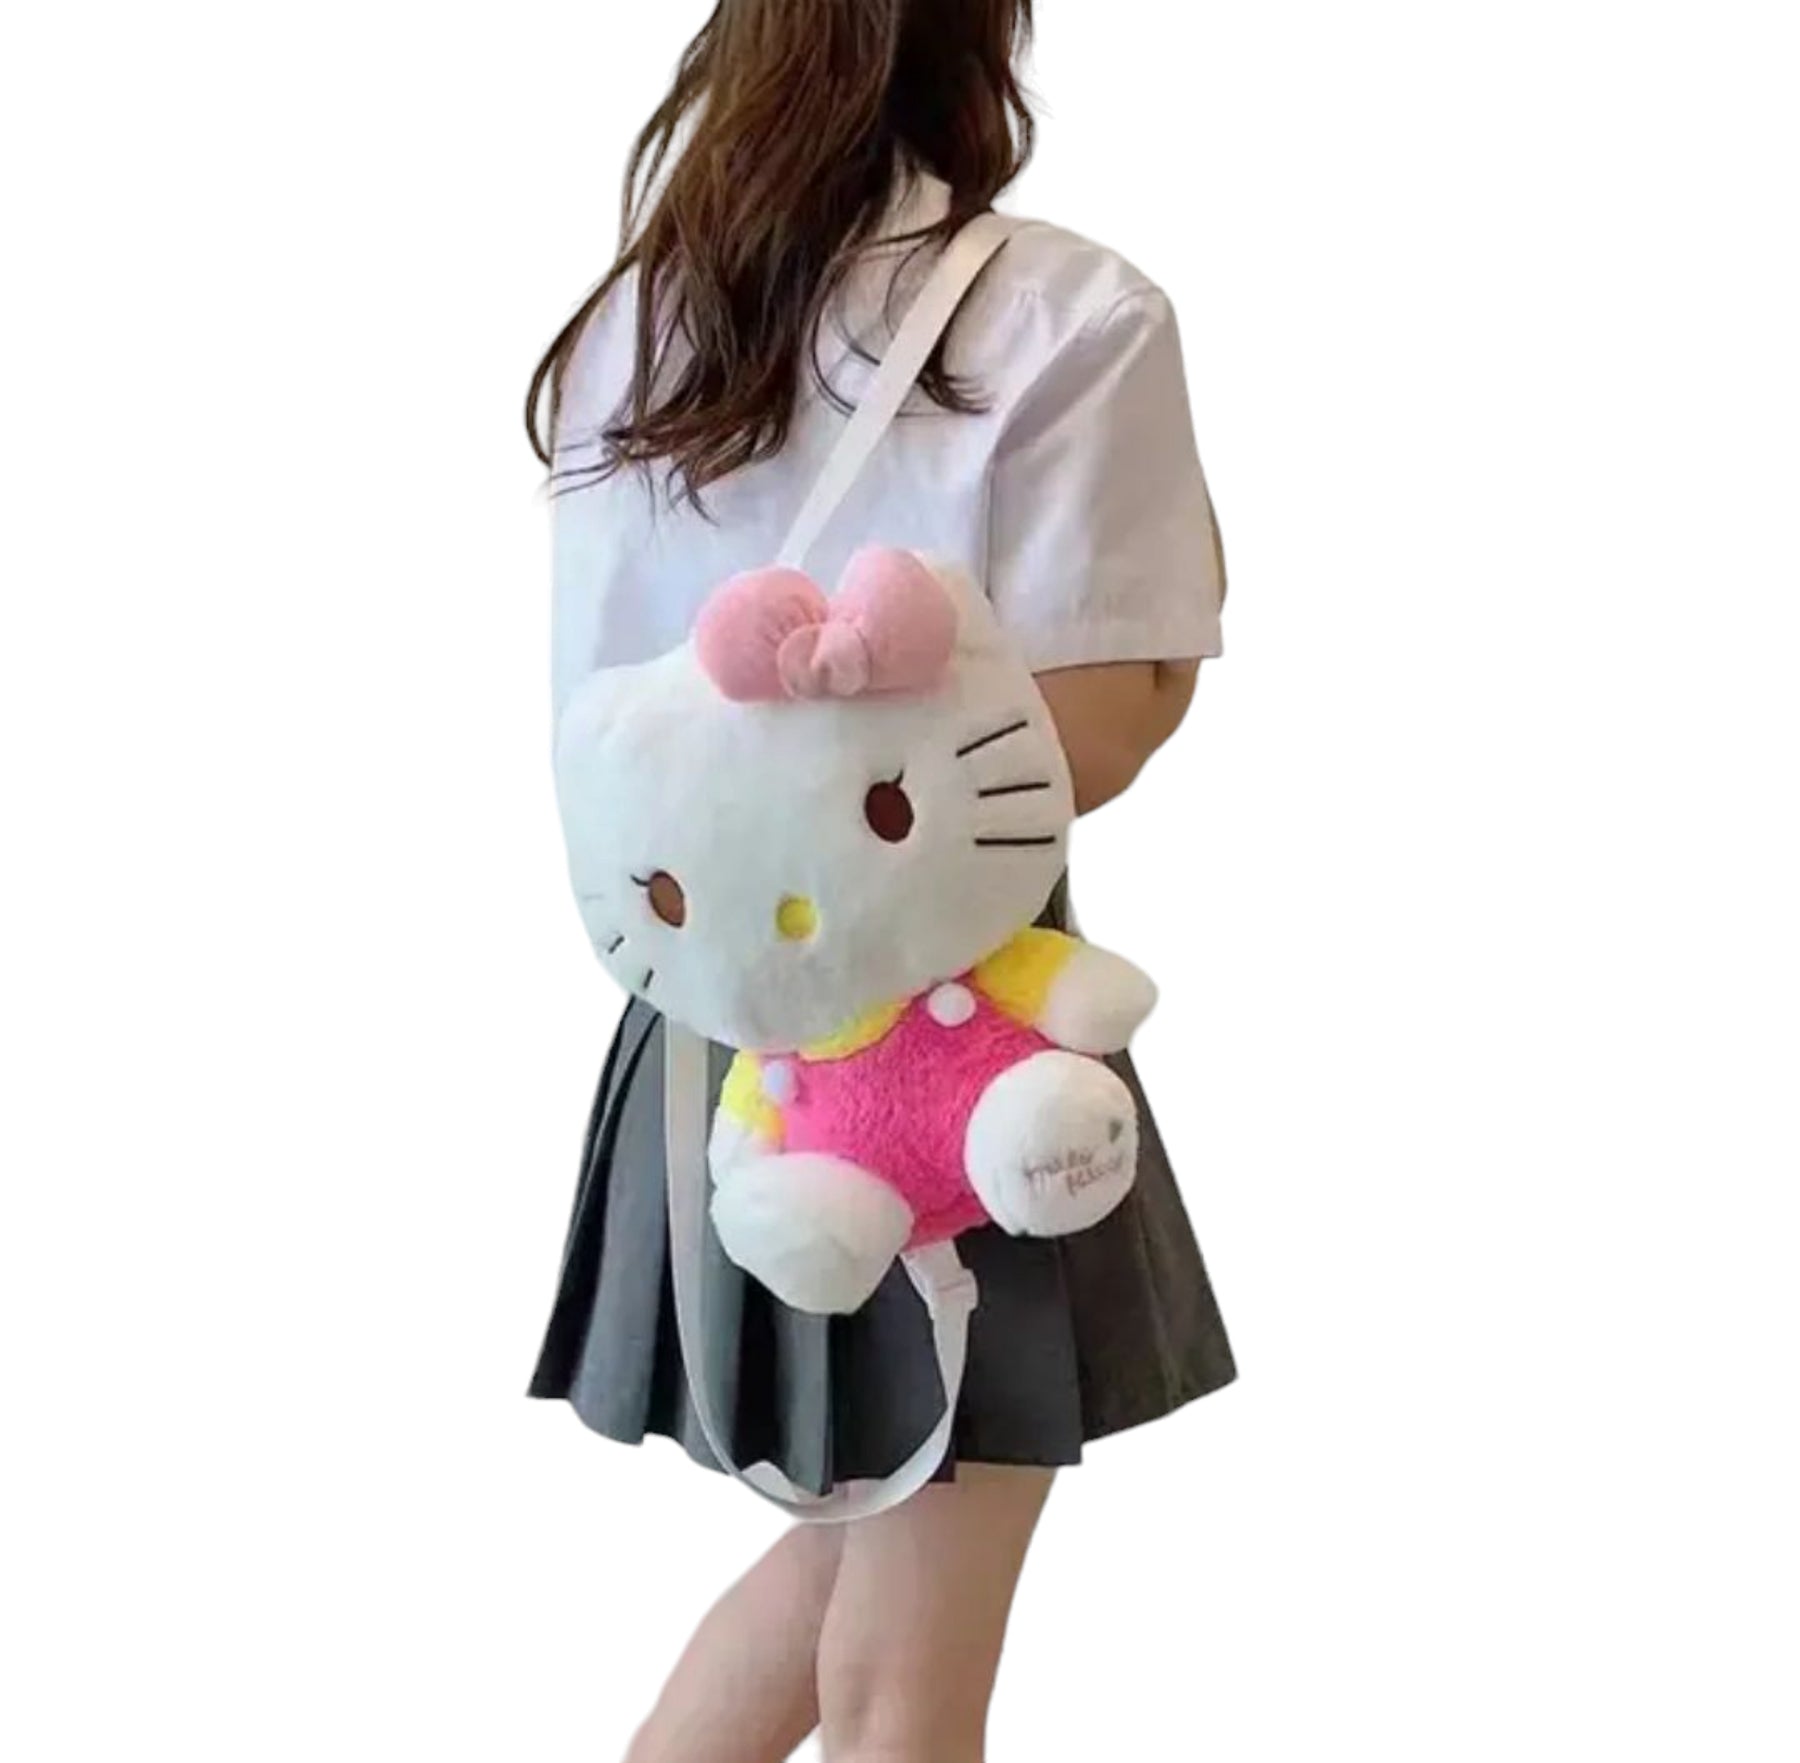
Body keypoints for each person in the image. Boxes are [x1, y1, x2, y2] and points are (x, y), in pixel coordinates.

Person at [526, 4, 1235, 1758]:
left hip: (707, 1035)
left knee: (854, 1560)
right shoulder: (1067, 316)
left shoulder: (636, 331)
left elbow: (605, 722)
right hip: (953, 1043)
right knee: (907, 1666)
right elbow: (1094, 726)